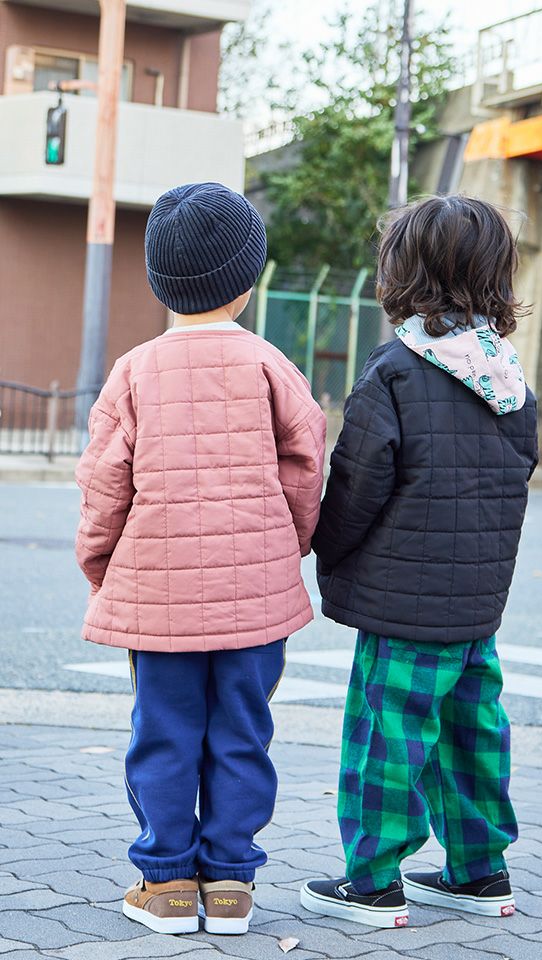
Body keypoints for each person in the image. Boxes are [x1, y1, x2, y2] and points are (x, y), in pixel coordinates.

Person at [75, 182, 326, 936]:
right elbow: (306, 469)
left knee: (163, 732)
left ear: (160, 279)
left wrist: (103, 568)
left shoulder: (133, 372)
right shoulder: (270, 365)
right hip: (256, 598)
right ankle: (230, 885)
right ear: (247, 280)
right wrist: (284, 547)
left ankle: (167, 885)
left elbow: (103, 487)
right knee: (243, 731)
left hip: (158, 600)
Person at [301, 195, 538, 928]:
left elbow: (357, 484)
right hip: (477, 605)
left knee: (389, 735)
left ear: (402, 274)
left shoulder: (397, 369)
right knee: (473, 733)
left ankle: (374, 880)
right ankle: (480, 870)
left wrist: (328, 548)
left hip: (401, 605)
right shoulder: (509, 377)